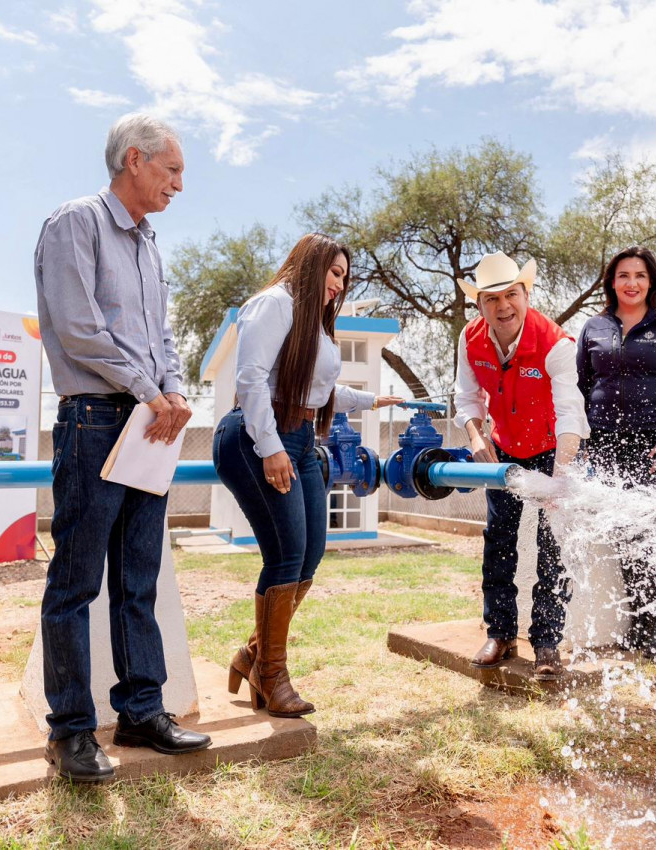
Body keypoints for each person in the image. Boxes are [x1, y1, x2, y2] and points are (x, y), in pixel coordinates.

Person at [35, 113, 211, 783]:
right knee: (76, 583)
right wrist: (150, 390)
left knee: (139, 578)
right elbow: (78, 329)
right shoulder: (73, 224)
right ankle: (72, 730)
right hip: (96, 419)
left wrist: (172, 389)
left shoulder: (149, 244)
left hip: (149, 421)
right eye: (172, 171)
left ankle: (141, 711)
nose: (178, 185)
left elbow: (160, 337)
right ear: (133, 161)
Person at [215, 233, 402, 717]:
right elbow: (251, 378)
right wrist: (271, 447)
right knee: (285, 556)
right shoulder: (274, 304)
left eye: (345, 276)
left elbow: (318, 391)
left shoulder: (314, 324)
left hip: (301, 439)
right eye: (334, 272)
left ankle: (255, 656)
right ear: (310, 265)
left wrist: (372, 400)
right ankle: (271, 675)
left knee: (309, 556)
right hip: (259, 435)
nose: (339, 283)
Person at [454, 252, 590, 681]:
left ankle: (547, 642)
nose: (503, 307)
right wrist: (476, 438)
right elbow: (467, 397)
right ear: (480, 305)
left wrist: (561, 479)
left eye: (511, 294)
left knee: (552, 546)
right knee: (498, 541)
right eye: (491, 299)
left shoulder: (555, 343)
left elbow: (571, 413)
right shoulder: (470, 338)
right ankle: (500, 632)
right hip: (503, 448)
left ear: (526, 294)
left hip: (555, 452)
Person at [576, 246, 656, 661]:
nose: (632, 283)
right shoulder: (594, 326)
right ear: (612, 281)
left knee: (652, 536)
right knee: (622, 536)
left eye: (640, 276)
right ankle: (632, 626)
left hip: (655, 446)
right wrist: (583, 441)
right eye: (624, 275)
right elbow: (581, 385)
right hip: (606, 444)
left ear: (652, 282)